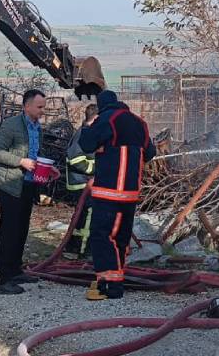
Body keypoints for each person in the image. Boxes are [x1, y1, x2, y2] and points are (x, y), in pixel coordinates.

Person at [77, 90, 155, 300]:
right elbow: (150, 153)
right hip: (130, 193)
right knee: (120, 237)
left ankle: (108, 283)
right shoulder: (140, 123)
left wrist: (88, 126)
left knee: (101, 236)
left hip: (108, 191)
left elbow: (86, 144)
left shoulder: (106, 119)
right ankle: (116, 282)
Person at [0, 88, 48, 295]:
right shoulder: (12, 125)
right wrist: (20, 161)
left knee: (22, 229)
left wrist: (46, 167)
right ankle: (4, 277)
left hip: (28, 184)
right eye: (39, 107)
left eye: (44, 107)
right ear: (27, 106)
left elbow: (34, 151)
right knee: (10, 231)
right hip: (11, 185)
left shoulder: (36, 127)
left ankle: (16, 270)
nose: (43, 111)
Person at [64, 103, 99, 259]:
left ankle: (72, 248)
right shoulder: (84, 133)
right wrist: (95, 168)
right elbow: (75, 159)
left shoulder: (89, 132)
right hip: (81, 183)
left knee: (81, 216)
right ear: (96, 118)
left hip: (84, 182)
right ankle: (83, 251)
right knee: (89, 216)